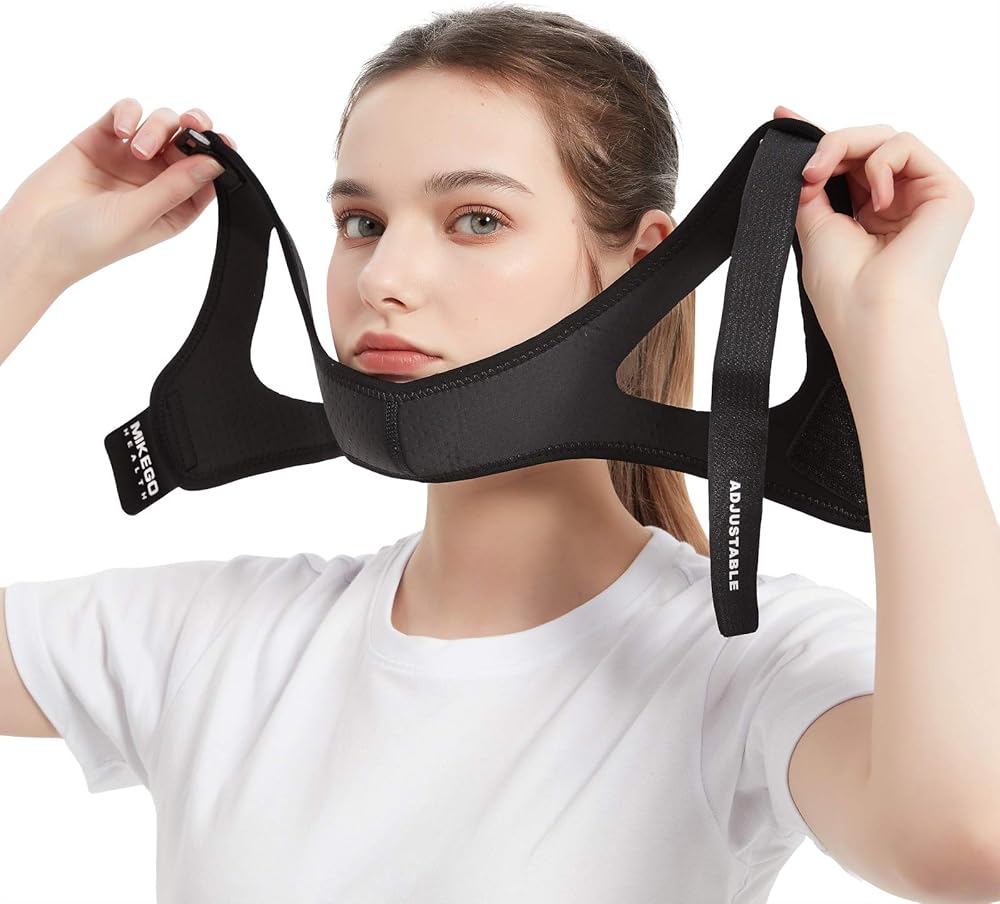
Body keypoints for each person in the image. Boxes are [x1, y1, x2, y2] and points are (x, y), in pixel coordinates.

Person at [0, 6, 889, 903]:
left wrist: (893, 328)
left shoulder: (751, 664)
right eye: (360, 222)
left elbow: (957, 838)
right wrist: (22, 258)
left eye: (476, 220)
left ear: (644, 266)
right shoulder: (218, 642)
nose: (383, 279)